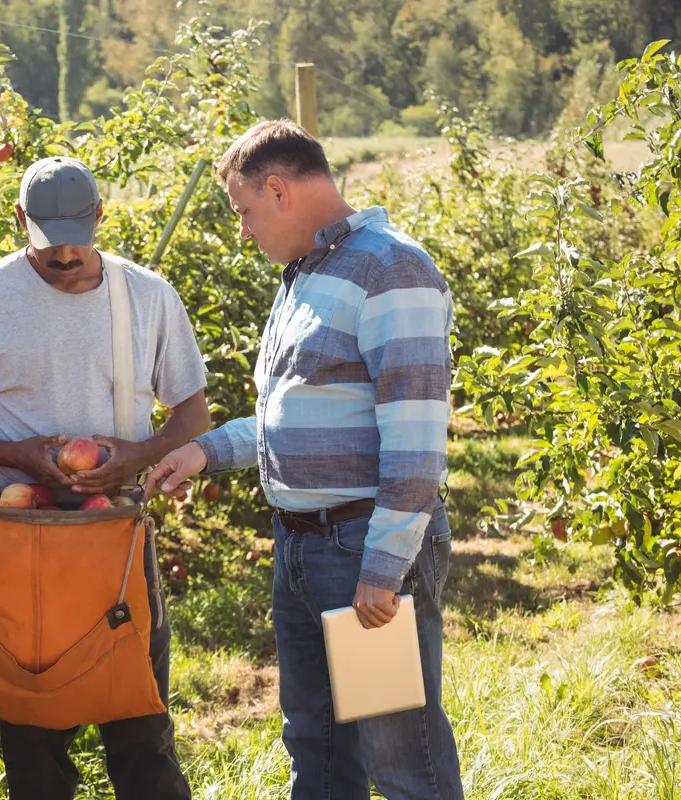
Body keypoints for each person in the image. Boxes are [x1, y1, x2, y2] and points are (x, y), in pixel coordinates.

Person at [148, 120, 464, 800]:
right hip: (302, 547)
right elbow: (293, 416)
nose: (242, 230)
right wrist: (206, 450)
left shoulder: (389, 268)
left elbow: (415, 436)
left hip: (361, 550)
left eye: (243, 211)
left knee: (399, 756)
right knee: (316, 747)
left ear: (278, 189)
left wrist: (383, 569)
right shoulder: (306, 275)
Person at [0, 156, 207, 800]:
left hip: (113, 533)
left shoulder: (147, 296)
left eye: (79, 235)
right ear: (20, 221)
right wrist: (19, 456)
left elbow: (192, 413)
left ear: (101, 217)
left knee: (140, 720)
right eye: (49, 239)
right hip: (22, 536)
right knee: (32, 732)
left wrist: (139, 453)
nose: (66, 254)